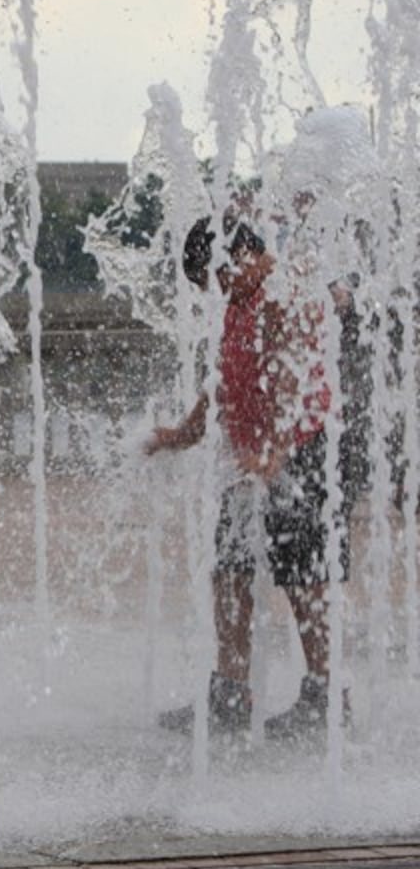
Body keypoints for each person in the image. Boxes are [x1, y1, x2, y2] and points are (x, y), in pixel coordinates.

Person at [147, 217, 349, 744]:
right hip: (252, 463)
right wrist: (181, 434)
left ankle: (325, 697)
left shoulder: (283, 293)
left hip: (300, 455)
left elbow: (293, 379)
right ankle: (230, 694)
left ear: (240, 256)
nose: (215, 292)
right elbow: (221, 384)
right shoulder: (239, 305)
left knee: (305, 580)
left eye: (215, 278)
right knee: (230, 576)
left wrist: (276, 453)